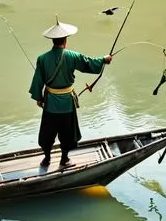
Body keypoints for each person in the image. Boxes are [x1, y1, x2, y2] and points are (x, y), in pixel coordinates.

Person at [29, 17, 112, 168]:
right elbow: (89, 64)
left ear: (53, 40)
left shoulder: (42, 58)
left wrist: (39, 98)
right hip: (67, 102)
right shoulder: (73, 56)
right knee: (67, 132)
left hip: (50, 103)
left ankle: (46, 159)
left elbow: (37, 81)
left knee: (48, 131)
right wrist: (104, 59)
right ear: (65, 40)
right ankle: (64, 159)